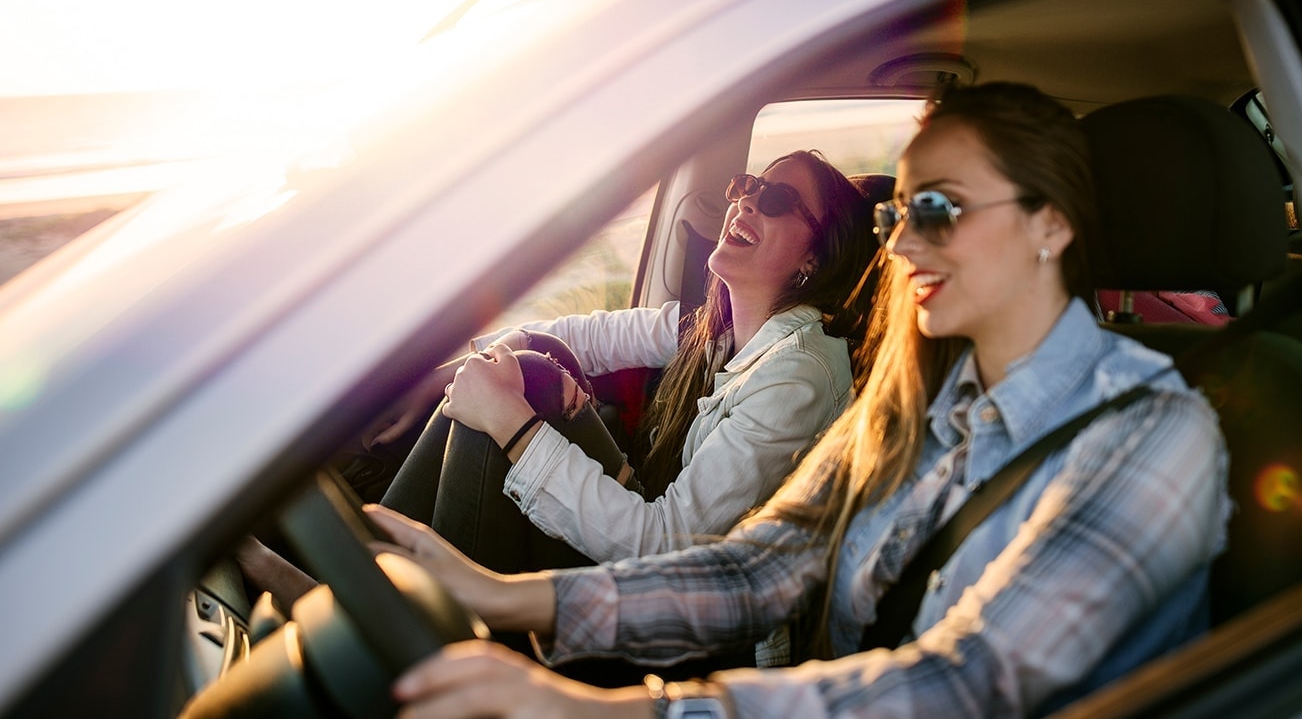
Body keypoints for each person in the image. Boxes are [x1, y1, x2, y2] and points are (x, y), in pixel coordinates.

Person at [367, 83, 1231, 718]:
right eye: (899, 214)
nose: (905, 245)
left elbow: (964, 685)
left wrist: (603, 710)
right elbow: (760, 569)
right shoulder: (912, 407)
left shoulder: (1154, 434)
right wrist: (502, 597)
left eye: (942, 208)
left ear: (1050, 226)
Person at [241, 150, 881, 609]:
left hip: (679, 618)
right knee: (529, 364)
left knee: (523, 390)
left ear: (814, 255)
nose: (746, 201)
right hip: (643, 559)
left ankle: (358, 603)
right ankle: (352, 590)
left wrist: (512, 423)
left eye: (777, 200)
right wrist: (488, 359)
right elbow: (589, 334)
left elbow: (667, 547)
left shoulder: (797, 377)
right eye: (749, 185)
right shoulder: (718, 330)